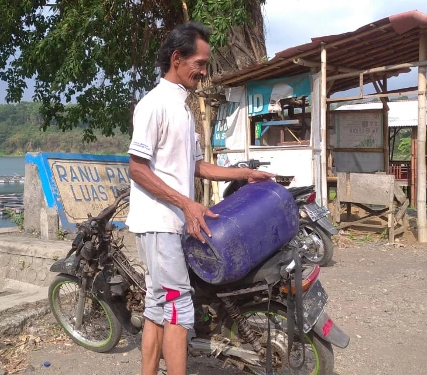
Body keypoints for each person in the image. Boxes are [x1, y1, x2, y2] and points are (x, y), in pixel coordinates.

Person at [126, 21, 275, 375]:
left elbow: (196, 166)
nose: (205, 72)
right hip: (159, 223)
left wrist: (244, 174)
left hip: (171, 222)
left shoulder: (181, 108)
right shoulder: (154, 105)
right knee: (178, 307)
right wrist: (188, 204)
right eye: (201, 63)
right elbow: (137, 168)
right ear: (177, 59)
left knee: (157, 306)